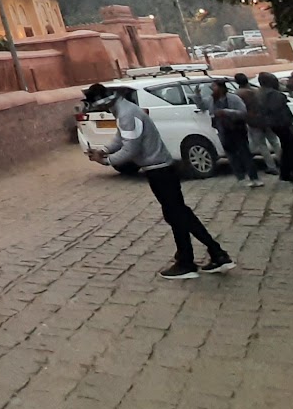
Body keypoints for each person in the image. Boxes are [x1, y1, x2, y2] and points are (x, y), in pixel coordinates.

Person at [84, 83, 234, 279]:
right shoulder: (124, 111)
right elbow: (121, 140)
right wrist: (103, 150)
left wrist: (105, 161)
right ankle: (195, 256)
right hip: (160, 169)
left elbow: (131, 149)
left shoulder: (127, 114)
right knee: (177, 215)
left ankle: (206, 256)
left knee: (179, 215)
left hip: (159, 170)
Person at [257, 72, 293, 185]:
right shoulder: (274, 95)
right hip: (283, 125)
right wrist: (289, 125)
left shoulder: (260, 93)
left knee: (286, 149)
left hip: (275, 125)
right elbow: (279, 111)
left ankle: (285, 173)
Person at [210, 79, 262, 186]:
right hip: (223, 130)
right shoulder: (212, 100)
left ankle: (254, 177)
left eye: (214, 86)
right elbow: (204, 107)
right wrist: (197, 96)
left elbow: (243, 112)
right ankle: (240, 177)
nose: (212, 89)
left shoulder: (233, 98)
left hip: (237, 129)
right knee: (231, 155)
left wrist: (226, 112)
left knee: (245, 153)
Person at [234, 73, 278, 175]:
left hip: (253, 121)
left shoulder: (238, 94)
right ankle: (284, 162)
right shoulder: (256, 90)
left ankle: (272, 166)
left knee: (262, 145)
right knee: (274, 142)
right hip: (265, 119)